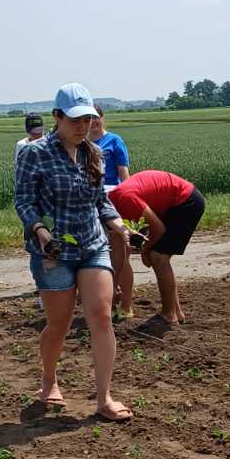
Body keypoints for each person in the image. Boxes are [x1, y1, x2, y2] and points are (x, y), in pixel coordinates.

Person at [14, 82, 131, 420]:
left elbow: (101, 201)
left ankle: (104, 398)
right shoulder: (34, 153)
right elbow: (24, 202)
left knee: (101, 315)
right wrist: (40, 232)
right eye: (76, 120)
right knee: (59, 323)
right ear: (57, 117)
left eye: (87, 120)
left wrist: (120, 226)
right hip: (53, 251)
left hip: (92, 244)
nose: (83, 126)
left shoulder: (93, 153)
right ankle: (49, 380)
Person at [108, 170, 204, 325]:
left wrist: (145, 251)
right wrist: (113, 285)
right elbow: (119, 255)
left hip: (186, 200)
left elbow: (158, 229)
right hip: (173, 203)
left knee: (158, 257)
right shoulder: (111, 211)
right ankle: (177, 312)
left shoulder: (125, 200)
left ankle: (169, 315)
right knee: (158, 256)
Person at [89, 106, 133, 316]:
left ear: (103, 118)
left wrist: (127, 199)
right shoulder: (81, 143)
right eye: (90, 118)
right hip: (91, 201)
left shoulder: (114, 140)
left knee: (121, 253)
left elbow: (124, 174)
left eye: (97, 117)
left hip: (113, 198)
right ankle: (105, 301)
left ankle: (126, 305)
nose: (94, 122)